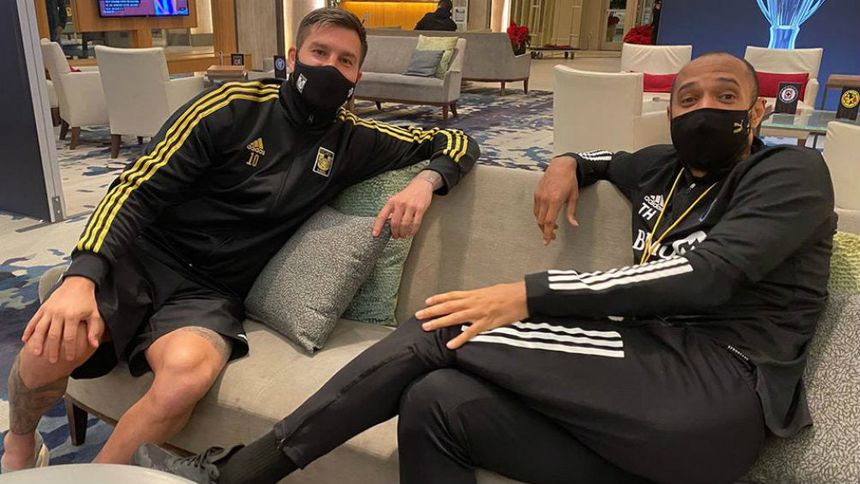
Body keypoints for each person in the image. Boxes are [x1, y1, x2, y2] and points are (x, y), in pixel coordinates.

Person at [135, 52, 835, 484]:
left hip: (716, 391)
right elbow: (598, 160)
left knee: (444, 321)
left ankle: (241, 474)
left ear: (756, 111)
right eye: (688, 98)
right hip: (638, 404)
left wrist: (527, 295)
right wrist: (564, 162)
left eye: (724, 97)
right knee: (437, 403)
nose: (705, 110)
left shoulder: (791, 174)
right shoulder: (663, 166)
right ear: (669, 110)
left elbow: (708, 276)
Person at [0, 8, 478, 473]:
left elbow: (456, 142)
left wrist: (426, 181)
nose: (330, 67)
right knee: (51, 344)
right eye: (319, 53)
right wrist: (82, 277)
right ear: (294, 57)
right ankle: (20, 447)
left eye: (345, 60)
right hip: (143, 257)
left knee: (185, 377)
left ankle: (102, 475)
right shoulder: (230, 106)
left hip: (212, 293)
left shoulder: (354, 139)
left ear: (357, 76)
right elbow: (136, 188)